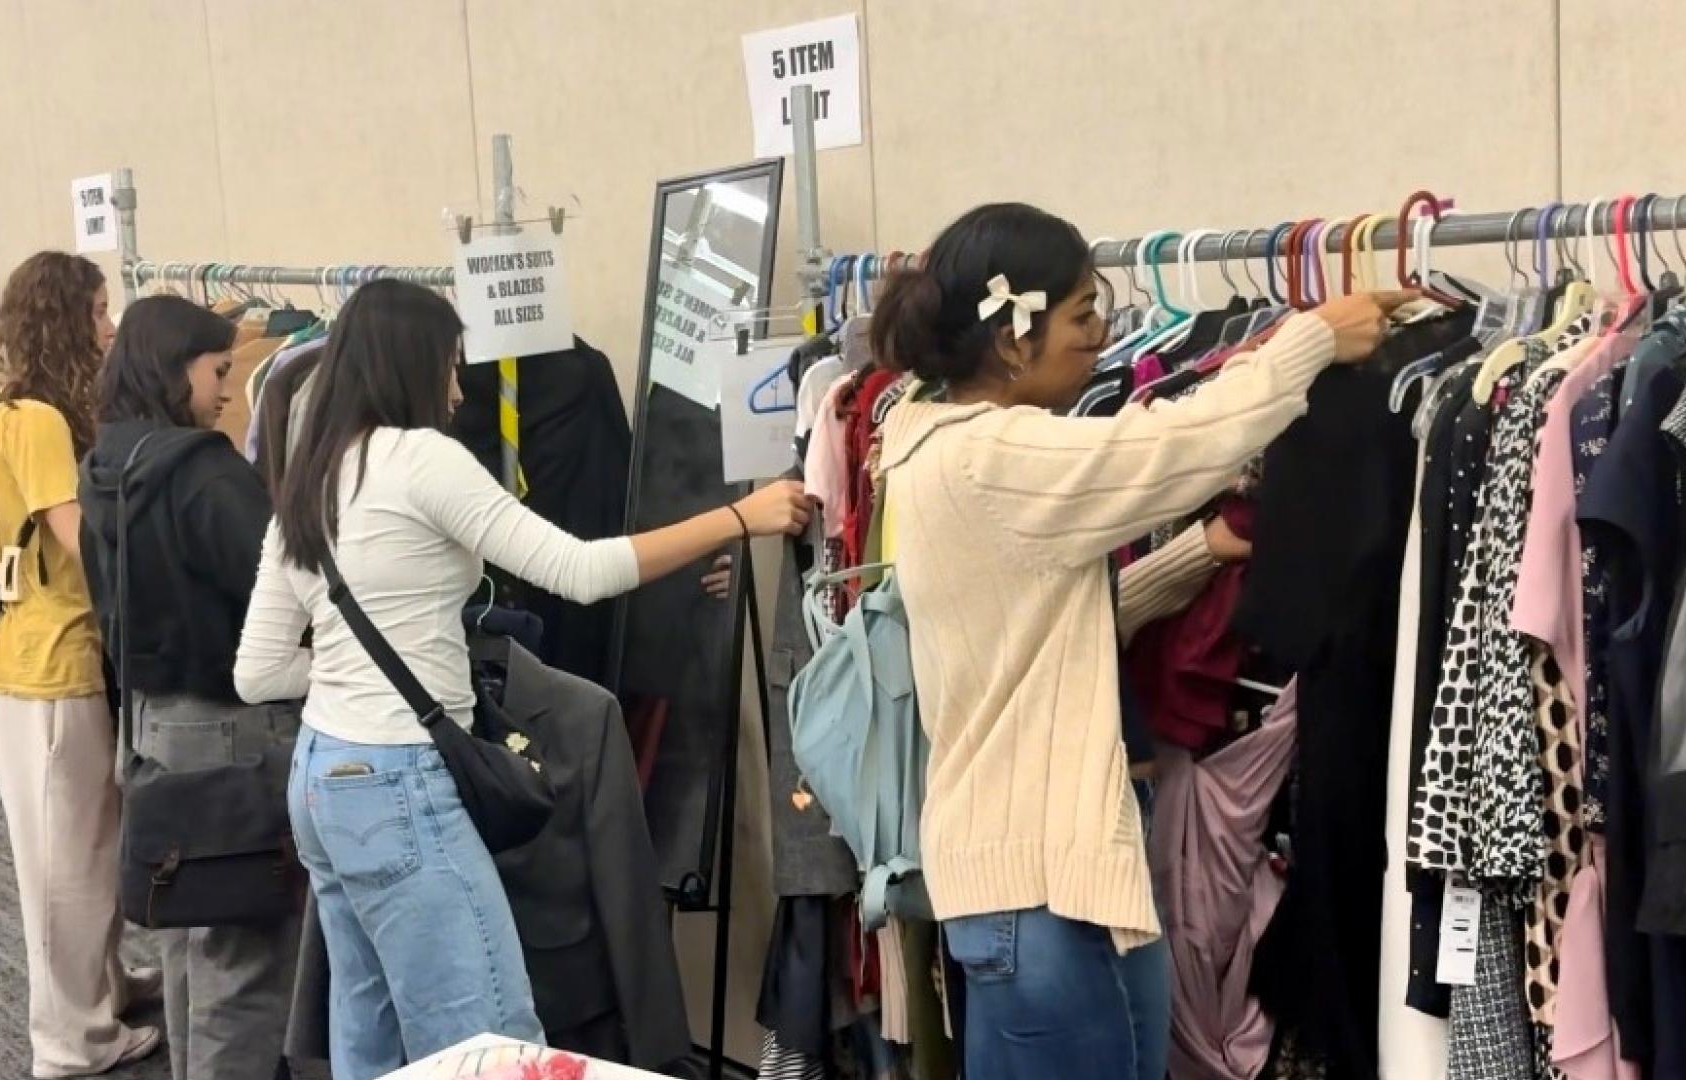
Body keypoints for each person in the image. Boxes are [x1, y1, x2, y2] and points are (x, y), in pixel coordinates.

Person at [867, 203, 1411, 1080]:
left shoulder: (931, 449)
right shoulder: (996, 455)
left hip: (1030, 891)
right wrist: (1304, 342)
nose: (1099, 336)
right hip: (1047, 897)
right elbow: (1168, 447)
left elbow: (1040, 624)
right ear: (1014, 336)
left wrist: (1199, 554)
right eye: (1083, 315)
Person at [233, 279, 809, 1079]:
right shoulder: (423, 461)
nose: (460, 388)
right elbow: (579, 569)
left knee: (373, 1034)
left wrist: (350, 674)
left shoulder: (310, 475)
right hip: (400, 785)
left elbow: (258, 671)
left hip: (322, 782)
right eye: (450, 366)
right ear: (410, 365)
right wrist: (741, 517)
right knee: (495, 1043)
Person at [76, 295, 298, 1080]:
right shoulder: (203, 474)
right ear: (176, 370)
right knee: (242, 964)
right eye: (218, 371)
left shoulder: (107, 463)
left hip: (149, 730)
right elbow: (280, 587)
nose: (228, 391)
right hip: (230, 733)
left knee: (186, 942)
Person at [0, 251, 163, 1078]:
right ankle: (72, 1041)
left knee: (85, 846)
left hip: (27, 661)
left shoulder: (3, 415)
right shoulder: (43, 421)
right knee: (65, 866)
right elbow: (78, 539)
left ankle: (104, 988)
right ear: (62, 320)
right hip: (48, 666)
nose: (109, 326)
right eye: (96, 311)